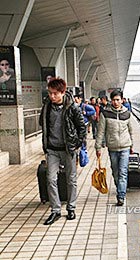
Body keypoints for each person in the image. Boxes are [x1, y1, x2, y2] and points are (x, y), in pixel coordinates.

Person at [39, 78, 86, 225]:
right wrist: (46, 146)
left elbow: (81, 128)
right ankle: (55, 210)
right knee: (51, 178)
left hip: (68, 150)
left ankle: (71, 208)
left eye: (55, 94)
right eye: (50, 93)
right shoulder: (47, 107)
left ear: (63, 92)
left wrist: (76, 145)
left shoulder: (72, 108)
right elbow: (43, 124)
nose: (52, 96)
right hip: (52, 149)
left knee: (71, 179)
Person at [95, 90, 133, 206]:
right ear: (111, 101)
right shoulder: (105, 114)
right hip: (112, 148)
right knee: (115, 172)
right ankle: (119, 187)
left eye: (118, 100)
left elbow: (130, 131)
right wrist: (98, 147)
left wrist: (132, 145)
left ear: (122, 100)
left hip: (125, 147)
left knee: (123, 172)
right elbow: (100, 132)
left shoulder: (127, 114)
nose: (116, 102)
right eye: (114, 100)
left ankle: (121, 196)